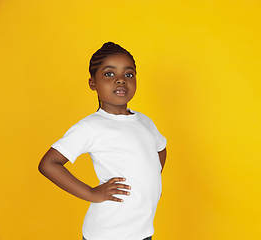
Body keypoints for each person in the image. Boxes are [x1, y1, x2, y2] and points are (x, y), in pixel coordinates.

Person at [38, 42, 167, 240]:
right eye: (109, 74)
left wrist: (153, 180)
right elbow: (49, 164)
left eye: (128, 74)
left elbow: (161, 148)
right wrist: (91, 193)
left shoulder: (144, 121)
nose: (121, 80)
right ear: (93, 83)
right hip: (108, 232)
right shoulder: (91, 127)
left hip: (142, 230)